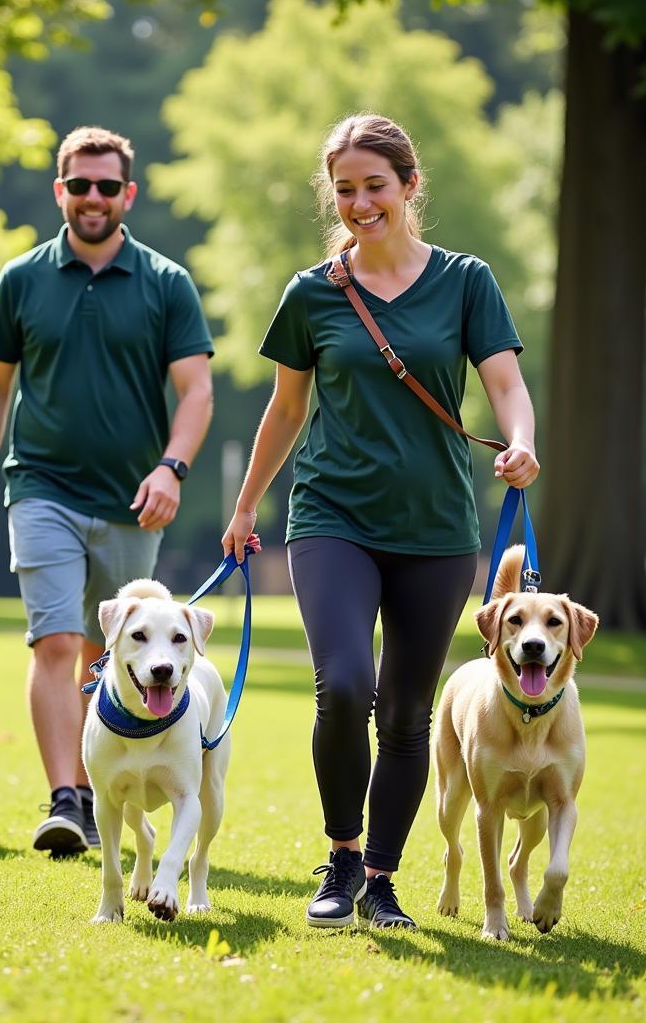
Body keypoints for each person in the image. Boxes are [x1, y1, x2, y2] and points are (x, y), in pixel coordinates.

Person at [223, 113, 539, 930]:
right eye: (346, 190)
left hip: (437, 528)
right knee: (346, 688)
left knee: (405, 710)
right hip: (332, 516)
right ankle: (341, 856)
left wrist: (523, 442)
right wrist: (246, 501)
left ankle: (384, 881)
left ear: (409, 186)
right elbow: (286, 408)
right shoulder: (313, 293)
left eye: (375, 186)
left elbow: (504, 382)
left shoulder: (466, 281)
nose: (361, 203)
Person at [0, 125, 214, 856]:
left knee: (114, 652)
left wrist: (172, 467)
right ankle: (67, 798)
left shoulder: (167, 282)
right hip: (39, 486)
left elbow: (196, 391)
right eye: (80, 184)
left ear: (127, 193)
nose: (93, 197)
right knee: (59, 641)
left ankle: (112, 784)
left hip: (134, 500)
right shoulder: (22, 279)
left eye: (107, 185)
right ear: (59, 191)